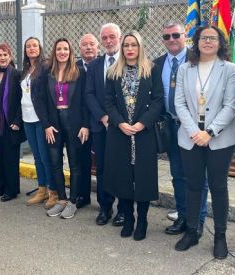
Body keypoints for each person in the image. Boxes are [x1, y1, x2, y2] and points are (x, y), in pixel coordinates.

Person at [172, 25, 235, 258]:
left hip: (219, 139)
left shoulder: (229, 69)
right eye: (204, 38)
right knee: (193, 185)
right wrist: (195, 131)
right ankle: (192, 231)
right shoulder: (185, 68)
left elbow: (231, 105)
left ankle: (220, 237)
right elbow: (179, 103)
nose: (208, 42)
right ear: (197, 42)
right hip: (191, 137)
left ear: (220, 43)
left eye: (213, 38)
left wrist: (210, 132)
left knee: (218, 187)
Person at [104, 31, 163, 241]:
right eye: (126, 45)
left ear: (140, 47)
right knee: (123, 178)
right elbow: (108, 102)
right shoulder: (113, 72)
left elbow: (158, 101)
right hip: (120, 134)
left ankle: (143, 220)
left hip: (142, 134)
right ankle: (128, 218)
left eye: (134, 45)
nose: (130, 49)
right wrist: (120, 122)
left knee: (143, 178)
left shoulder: (152, 70)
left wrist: (142, 123)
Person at [154, 22, 208, 236]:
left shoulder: (198, 60)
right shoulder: (157, 64)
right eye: (167, 36)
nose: (172, 39)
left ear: (185, 36)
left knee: (197, 177)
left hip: (194, 128)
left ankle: (198, 220)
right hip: (170, 126)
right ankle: (183, 216)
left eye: (176, 35)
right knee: (177, 175)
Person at [38, 38, 89, 219]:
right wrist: (46, 125)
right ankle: (62, 199)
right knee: (55, 163)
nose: (62, 52)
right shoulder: (47, 73)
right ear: (54, 52)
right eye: (59, 49)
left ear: (70, 51)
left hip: (73, 122)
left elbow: (85, 101)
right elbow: (40, 100)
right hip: (54, 123)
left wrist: (85, 125)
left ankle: (73, 201)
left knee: (75, 164)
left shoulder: (79, 72)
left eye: (65, 49)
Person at [85, 23, 125, 226]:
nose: (109, 41)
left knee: (123, 169)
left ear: (120, 38)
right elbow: (89, 94)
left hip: (124, 127)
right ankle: (105, 207)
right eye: (105, 38)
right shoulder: (93, 66)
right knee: (102, 168)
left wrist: (119, 120)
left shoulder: (129, 62)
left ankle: (123, 210)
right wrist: (102, 116)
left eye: (112, 37)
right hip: (101, 126)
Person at [0, 43, 25, 202]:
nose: (2, 58)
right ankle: (1, 186)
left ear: (10, 57)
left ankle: (12, 189)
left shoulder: (17, 74)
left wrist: (17, 120)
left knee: (10, 157)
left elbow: (23, 100)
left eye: (5, 55)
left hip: (10, 123)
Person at [20, 37, 55, 207]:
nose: (31, 48)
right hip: (27, 119)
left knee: (45, 156)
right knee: (36, 157)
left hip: (41, 119)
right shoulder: (26, 69)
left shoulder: (46, 67)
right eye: (28, 46)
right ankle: (41, 190)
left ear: (40, 48)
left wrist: (48, 121)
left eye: (34, 45)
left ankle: (53, 191)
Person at [75, 33, 98, 209]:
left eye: (92, 44)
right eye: (85, 45)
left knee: (104, 163)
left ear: (97, 47)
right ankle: (82, 195)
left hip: (100, 122)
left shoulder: (105, 65)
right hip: (79, 123)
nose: (88, 47)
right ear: (79, 48)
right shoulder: (73, 68)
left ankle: (106, 201)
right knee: (81, 161)